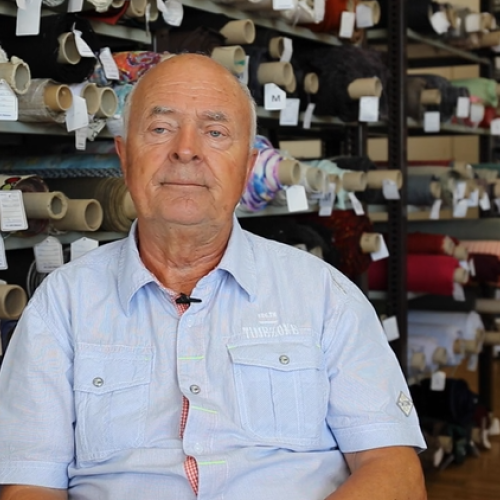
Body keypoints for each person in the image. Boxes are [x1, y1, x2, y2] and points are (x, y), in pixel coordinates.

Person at [0, 53, 427, 500]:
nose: (186, 149)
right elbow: (28, 484)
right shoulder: (62, 304)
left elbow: (394, 470)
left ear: (246, 166)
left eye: (215, 132)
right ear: (124, 158)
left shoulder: (326, 296)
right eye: (160, 128)